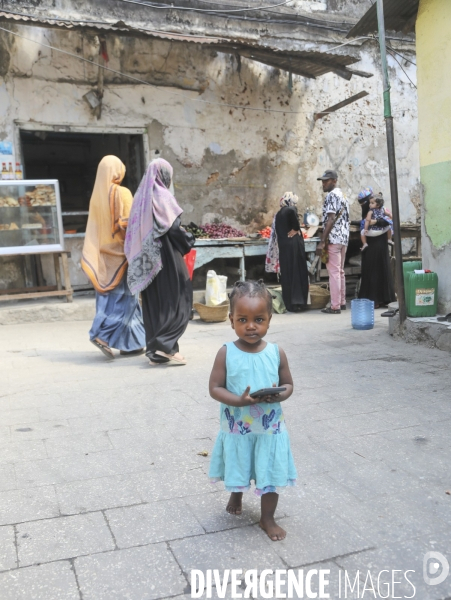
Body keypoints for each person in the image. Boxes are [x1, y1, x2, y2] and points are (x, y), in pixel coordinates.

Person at [208, 280, 297, 541]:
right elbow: (215, 388)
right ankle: (237, 492)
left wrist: (278, 393)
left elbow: (289, 384)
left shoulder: (276, 352)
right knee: (240, 462)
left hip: (269, 428)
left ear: (269, 319)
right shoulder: (226, 353)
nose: (250, 326)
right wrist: (239, 400)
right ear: (231, 319)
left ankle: (267, 518)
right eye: (242, 319)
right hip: (238, 425)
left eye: (258, 319)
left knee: (269, 469)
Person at [125, 158, 194, 366]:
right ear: (165, 175)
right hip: (166, 258)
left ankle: (155, 350)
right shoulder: (163, 196)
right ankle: (167, 346)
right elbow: (172, 229)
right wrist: (188, 239)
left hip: (148, 261)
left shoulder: (140, 199)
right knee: (179, 296)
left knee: (154, 302)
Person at [81, 155, 145, 359]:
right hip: (122, 254)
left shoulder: (97, 196)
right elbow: (130, 225)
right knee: (126, 299)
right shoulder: (122, 193)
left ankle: (131, 344)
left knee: (111, 299)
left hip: (104, 254)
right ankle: (103, 335)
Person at [265, 192, 309, 312]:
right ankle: (299, 303)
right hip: (294, 246)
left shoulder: (279, 213)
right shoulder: (291, 209)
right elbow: (295, 224)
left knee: (287, 273)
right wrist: (296, 229)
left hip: (284, 247)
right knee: (297, 272)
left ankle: (289, 303)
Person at [315, 170, 350, 314]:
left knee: (334, 273)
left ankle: (335, 306)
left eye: (326, 181)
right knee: (340, 272)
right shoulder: (343, 195)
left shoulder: (331, 196)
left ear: (334, 181)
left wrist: (322, 241)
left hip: (334, 238)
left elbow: (330, 219)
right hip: (343, 238)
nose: (323, 184)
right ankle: (341, 302)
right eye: (322, 181)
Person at [357, 188, 396, 308]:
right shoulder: (368, 212)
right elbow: (365, 223)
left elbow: (389, 221)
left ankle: (378, 299)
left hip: (379, 244)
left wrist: (376, 222)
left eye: (366, 202)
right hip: (371, 244)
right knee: (371, 271)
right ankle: (374, 299)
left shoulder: (382, 210)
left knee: (377, 270)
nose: (366, 205)